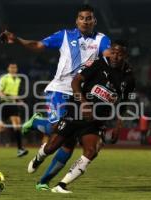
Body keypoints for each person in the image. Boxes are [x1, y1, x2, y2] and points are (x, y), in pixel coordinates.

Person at [0, 4, 111, 190]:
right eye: (82, 18)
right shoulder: (64, 35)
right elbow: (38, 45)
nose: (85, 21)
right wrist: (17, 40)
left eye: (89, 18)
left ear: (94, 21)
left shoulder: (101, 39)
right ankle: (36, 122)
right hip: (60, 89)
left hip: (81, 95)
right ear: (77, 20)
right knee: (58, 130)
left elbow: (109, 57)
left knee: (69, 142)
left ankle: (43, 182)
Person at [28, 42, 136, 193]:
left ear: (125, 56)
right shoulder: (98, 63)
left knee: (92, 151)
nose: (115, 56)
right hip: (76, 111)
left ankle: (61, 186)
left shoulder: (129, 78)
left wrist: (118, 125)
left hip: (96, 121)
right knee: (52, 147)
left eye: (119, 54)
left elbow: (125, 102)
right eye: (113, 52)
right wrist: (84, 103)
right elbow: (75, 82)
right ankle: (40, 155)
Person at [0, 62, 28, 157]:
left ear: (17, 69)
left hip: (13, 105)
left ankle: (20, 149)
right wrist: (9, 98)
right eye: (11, 67)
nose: (13, 69)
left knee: (17, 125)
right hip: (5, 104)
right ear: (8, 69)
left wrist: (19, 100)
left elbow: (14, 94)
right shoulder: (4, 78)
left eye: (15, 67)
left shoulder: (18, 80)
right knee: (1, 128)